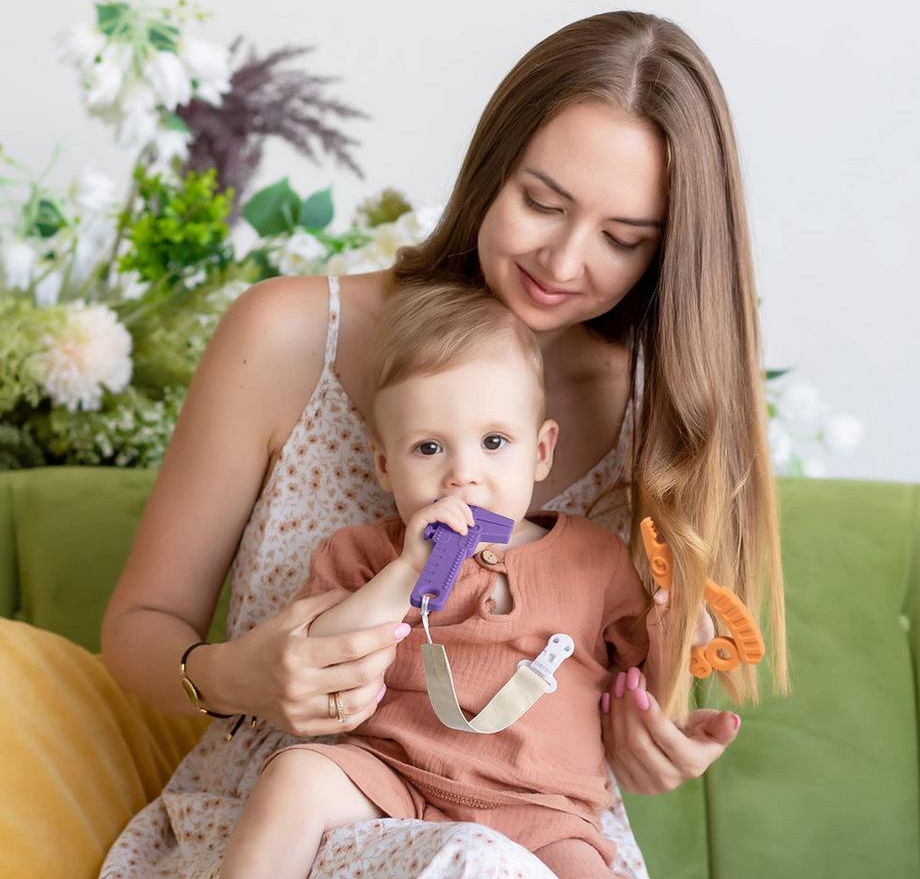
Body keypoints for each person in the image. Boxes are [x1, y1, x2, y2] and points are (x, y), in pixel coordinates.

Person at [99, 10, 786, 879]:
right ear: (491, 169)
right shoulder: (286, 338)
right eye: (542, 201)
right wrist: (239, 677)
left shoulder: (658, 420)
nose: (566, 260)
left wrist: (650, 737)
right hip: (288, 821)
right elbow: (137, 629)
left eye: (622, 240)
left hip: (528, 842)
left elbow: (637, 667)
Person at [220, 283, 692, 879]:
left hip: (544, 811)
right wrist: (404, 573)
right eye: (428, 448)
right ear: (385, 464)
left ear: (541, 451)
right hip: (391, 775)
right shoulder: (368, 552)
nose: (463, 474)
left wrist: (677, 628)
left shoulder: (594, 559)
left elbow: (643, 679)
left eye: (494, 442)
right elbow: (316, 650)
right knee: (295, 777)